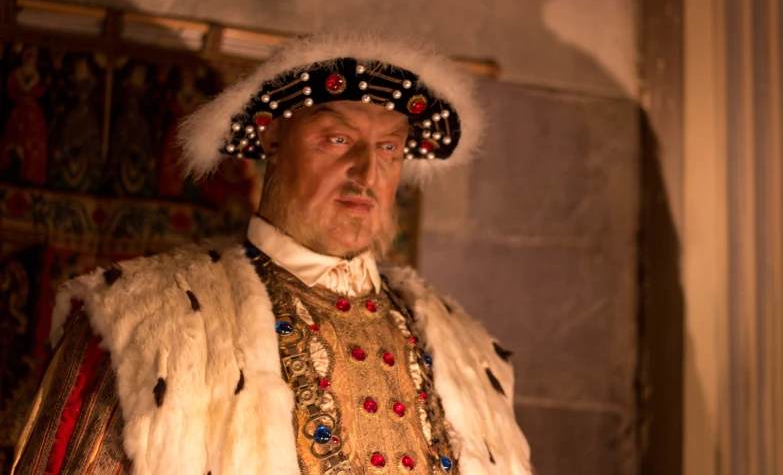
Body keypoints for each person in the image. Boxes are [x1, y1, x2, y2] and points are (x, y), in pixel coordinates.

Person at [12, 32, 532, 474]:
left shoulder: (469, 356)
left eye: (389, 148)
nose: (367, 173)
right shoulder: (141, 322)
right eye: (336, 139)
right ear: (272, 137)